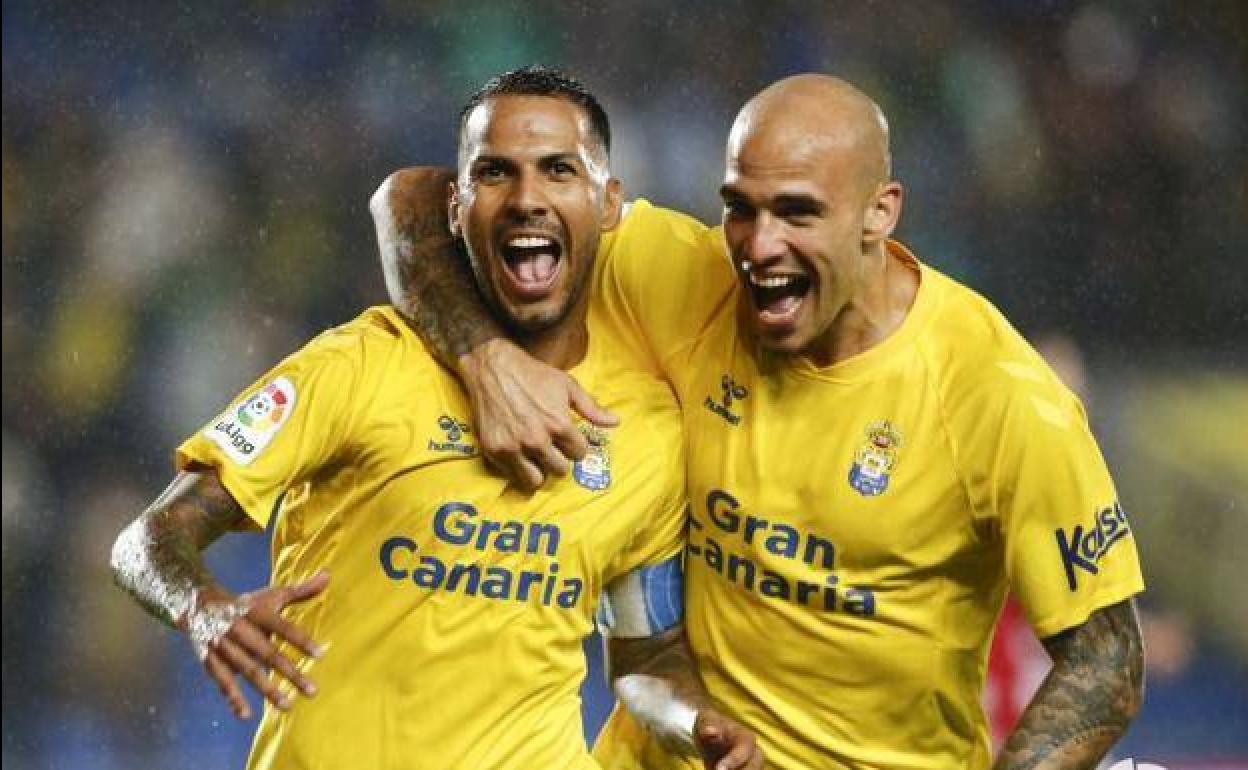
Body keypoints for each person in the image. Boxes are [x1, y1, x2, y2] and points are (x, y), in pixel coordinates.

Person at [376, 73, 1146, 768]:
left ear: (880, 211)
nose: (759, 245)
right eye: (740, 208)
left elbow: (1107, 662)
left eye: (798, 213)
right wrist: (485, 359)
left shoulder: (1000, 396)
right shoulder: (687, 276)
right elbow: (412, 199)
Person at [110, 67, 761, 770]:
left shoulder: (648, 428)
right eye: (495, 172)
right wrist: (204, 607)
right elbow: (146, 539)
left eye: (558, 170)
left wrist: (695, 722)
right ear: (456, 207)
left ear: (608, 205)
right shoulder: (361, 365)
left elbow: (646, 653)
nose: (527, 199)